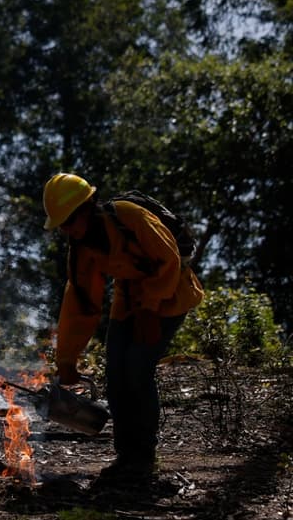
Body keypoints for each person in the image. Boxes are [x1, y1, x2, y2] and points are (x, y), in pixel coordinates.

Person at [42, 173, 203, 480]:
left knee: (137, 368)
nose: (66, 230)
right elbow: (81, 304)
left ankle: (143, 457)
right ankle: (125, 457)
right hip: (129, 302)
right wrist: (66, 360)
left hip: (170, 297)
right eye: (61, 225)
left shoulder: (130, 216)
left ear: (87, 208)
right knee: (116, 374)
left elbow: (169, 260)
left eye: (69, 221)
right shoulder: (82, 250)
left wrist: (151, 310)